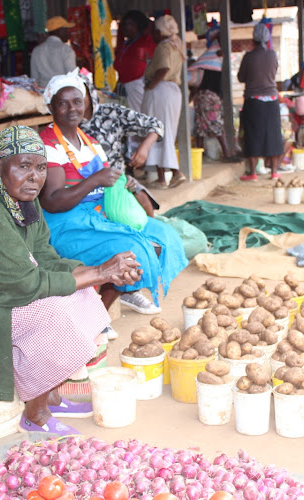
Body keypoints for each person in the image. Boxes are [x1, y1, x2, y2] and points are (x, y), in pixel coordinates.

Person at [0, 125, 143, 436]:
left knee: (81, 295)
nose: (35, 177)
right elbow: (22, 287)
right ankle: (35, 413)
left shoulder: (21, 197)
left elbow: (43, 254)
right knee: (52, 316)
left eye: (41, 167)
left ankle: (50, 392)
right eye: (23, 166)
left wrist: (98, 271)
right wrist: (99, 273)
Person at [37, 72, 188, 319]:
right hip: (66, 223)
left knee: (164, 237)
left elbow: (107, 181)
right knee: (133, 249)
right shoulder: (48, 145)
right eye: (62, 103)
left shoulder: (90, 142)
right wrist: (95, 180)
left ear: (86, 102)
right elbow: (52, 202)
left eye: (77, 101)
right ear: (51, 107)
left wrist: (122, 182)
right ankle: (98, 315)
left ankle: (125, 289)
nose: (71, 108)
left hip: (98, 215)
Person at [79, 72, 166, 314]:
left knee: (143, 212)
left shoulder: (111, 113)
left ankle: (131, 288)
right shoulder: (67, 126)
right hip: (85, 191)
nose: (75, 104)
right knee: (112, 236)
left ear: (89, 93)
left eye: (80, 96)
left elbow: (156, 125)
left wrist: (144, 148)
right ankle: (118, 292)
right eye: (67, 99)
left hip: (118, 183)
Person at [141, 15, 186, 189]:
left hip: (161, 90)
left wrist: (151, 86)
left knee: (157, 131)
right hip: (173, 92)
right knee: (167, 132)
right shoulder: (177, 44)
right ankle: (171, 174)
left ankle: (166, 176)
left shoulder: (163, 46)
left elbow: (164, 68)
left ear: (160, 32)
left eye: (155, 31)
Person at [237, 23, 283, 181]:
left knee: (253, 135)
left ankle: (253, 173)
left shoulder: (249, 57)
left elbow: (241, 77)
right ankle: (274, 172)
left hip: (254, 100)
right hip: (272, 99)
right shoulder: (272, 55)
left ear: (253, 39)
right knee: (273, 134)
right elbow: (274, 71)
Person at [188, 23, 233, 160]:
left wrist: (191, 96)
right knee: (215, 124)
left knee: (200, 125)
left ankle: (199, 157)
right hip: (211, 96)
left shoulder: (210, 56)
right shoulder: (218, 55)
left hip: (202, 95)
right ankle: (226, 153)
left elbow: (197, 79)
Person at [113, 11, 155, 112]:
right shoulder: (126, 44)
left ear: (138, 26)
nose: (126, 28)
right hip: (124, 86)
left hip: (137, 87)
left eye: (130, 24)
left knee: (138, 118)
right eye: (125, 24)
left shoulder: (145, 41)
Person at [30, 17, 77, 88]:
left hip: (44, 94)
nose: (68, 33)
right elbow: (72, 77)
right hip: (62, 92)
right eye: (66, 30)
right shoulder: (66, 49)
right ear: (58, 31)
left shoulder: (36, 50)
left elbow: (34, 80)